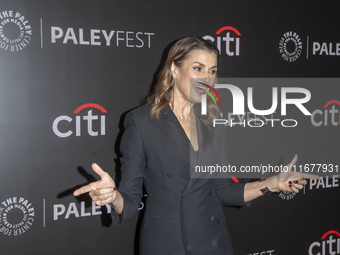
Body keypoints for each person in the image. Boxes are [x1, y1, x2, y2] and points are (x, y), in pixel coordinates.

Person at [73, 37, 318, 255]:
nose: (207, 78)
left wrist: (272, 184)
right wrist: (113, 196)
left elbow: (222, 190)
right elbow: (130, 197)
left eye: (212, 71)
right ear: (174, 69)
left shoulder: (212, 122)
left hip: (214, 241)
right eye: (198, 69)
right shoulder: (141, 121)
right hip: (167, 244)